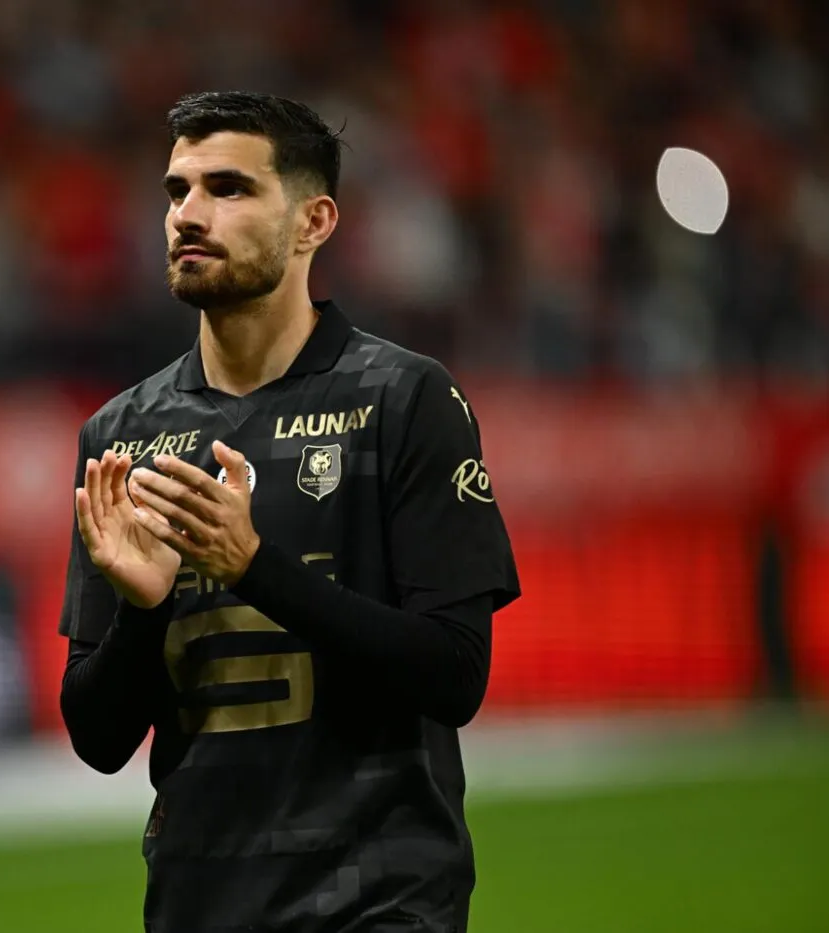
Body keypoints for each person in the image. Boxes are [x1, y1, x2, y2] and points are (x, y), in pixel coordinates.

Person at [58, 91, 520, 933]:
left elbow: (456, 673)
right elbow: (98, 738)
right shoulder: (121, 435)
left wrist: (254, 568)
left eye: (228, 188)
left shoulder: (404, 398)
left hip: (380, 900)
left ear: (313, 222)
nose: (188, 214)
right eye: (176, 191)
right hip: (198, 903)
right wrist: (141, 611)